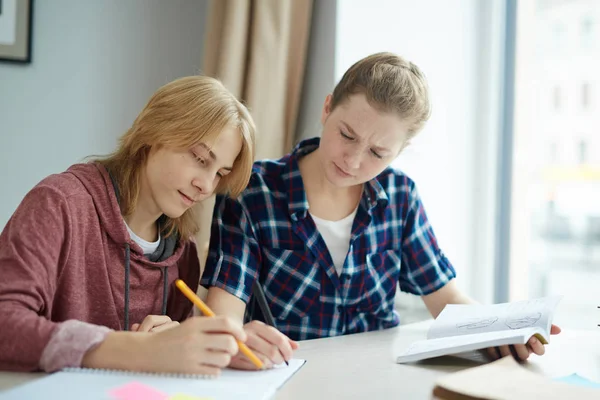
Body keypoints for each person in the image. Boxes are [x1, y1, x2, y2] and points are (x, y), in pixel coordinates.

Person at [201, 52, 560, 368]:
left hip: (379, 377)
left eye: (377, 153)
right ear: (327, 109)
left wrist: (503, 330)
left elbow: (446, 298)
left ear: (399, 151)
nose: (353, 161)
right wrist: (240, 336)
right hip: (286, 376)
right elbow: (224, 314)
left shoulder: (400, 196)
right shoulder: (252, 191)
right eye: (347, 135)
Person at [0, 76, 256, 375]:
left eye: (220, 173)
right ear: (152, 133)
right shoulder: (59, 203)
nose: (206, 186)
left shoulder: (181, 251)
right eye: (199, 159)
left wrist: (176, 339)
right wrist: (136, 350)